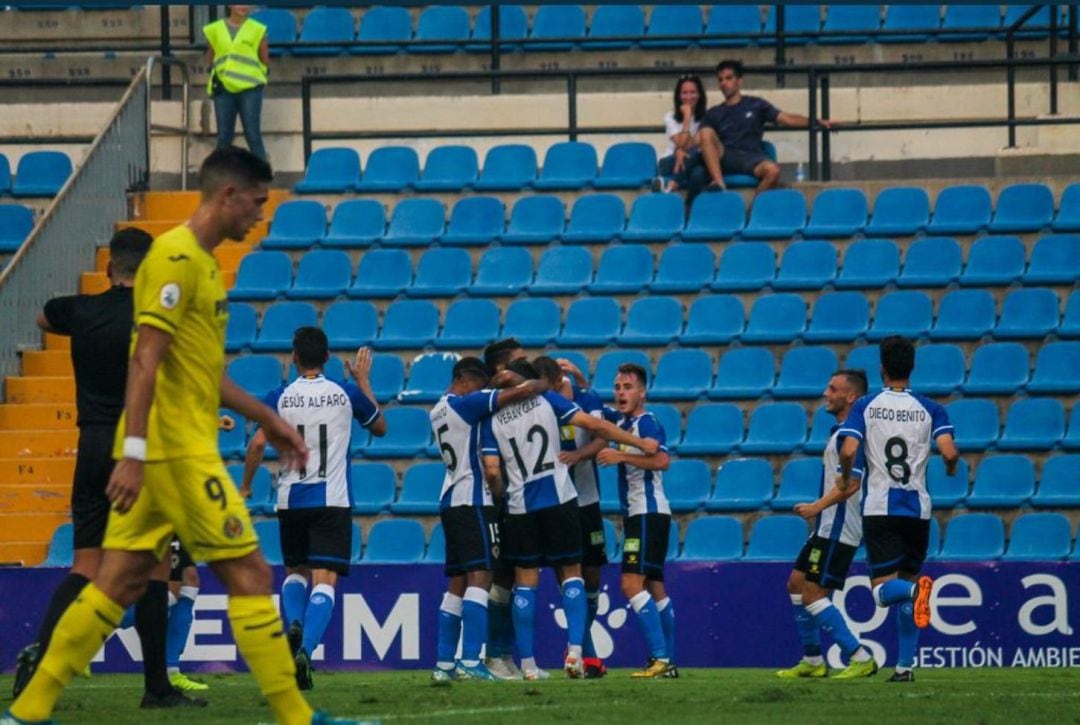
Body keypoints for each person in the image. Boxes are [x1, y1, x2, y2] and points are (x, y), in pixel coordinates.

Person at [5, 147, 349, 725]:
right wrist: (134, 455)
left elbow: (204, 373)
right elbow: (145, 360)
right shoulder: (173, 259)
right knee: (248, 572)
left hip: (169, 448)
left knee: (115, 581)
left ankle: (27, 711)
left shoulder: (207, 265)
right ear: (227, 196)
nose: (261, 217)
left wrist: (268, 419)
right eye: (257, 204)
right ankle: (296, 716)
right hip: (176, 453)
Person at [13, 227, 204, 710]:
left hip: (92, 445)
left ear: (108, 269)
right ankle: (157, 687)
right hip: (139, 447)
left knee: (85, 566)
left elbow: (44, 315)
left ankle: (41, 653)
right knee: (157, 570)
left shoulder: (79, 312)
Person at [481, 359, 659, 680]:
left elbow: (492, 470)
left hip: (520, 506)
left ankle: (529, 666)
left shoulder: (492, 419)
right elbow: (598, 427)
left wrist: (500, 494)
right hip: (559, 498)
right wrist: (638, 442)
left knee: (525, 581)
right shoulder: (547, 400)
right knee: (572, 574)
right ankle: (575, 653)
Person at [242, 332, 385, 691]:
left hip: (290, 499)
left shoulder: (281, 397)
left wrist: (245, 485)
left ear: (294, 357)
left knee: (294, 573)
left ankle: (294, 624)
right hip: (331, 500)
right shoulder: (344, 392)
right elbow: (380, 427)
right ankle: (306, 649)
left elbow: (257, 444)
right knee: (325, 581)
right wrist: (364, 383)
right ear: (328, 356)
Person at [836, 336, 959, 683]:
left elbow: (847, 451)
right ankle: (904, 667)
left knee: (883, 590)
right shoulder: (932, 409)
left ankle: (917, 592)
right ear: (912, 368)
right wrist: (950, 469)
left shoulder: (866, 405)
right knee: (906, 581)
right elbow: (949, 453)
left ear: (882, 368)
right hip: (917, 509)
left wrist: (846, 477)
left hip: (880, 507)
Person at [428, 357, 550, 682]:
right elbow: (522, 393)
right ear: (467, 381)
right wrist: (533, 382)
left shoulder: (437, 409)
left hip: (449, 500)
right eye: (479, 386)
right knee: (481, 577)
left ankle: (443, 665)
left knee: (456, 583)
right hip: (472, 499)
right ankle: (470, 661)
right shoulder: (468, 405)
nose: (481, 391)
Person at [779, 369, 877, 680]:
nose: (826, 393)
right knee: (795, 584)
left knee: (812, 594)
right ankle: (812, 659)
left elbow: (851, 485)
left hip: (839, 528)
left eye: (833, 389)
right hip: (826, 526)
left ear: (851, 397)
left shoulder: (851, 435)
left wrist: (815, 507)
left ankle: (860, 656)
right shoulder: (841, 432)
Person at [594, 363, 676, 679]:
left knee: (630, 583)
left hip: (646, 512)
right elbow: (593, 413)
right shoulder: (624, 423)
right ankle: (668, 662)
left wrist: (620, 456)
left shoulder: (647, 422)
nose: (621, 393)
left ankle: (660, 658)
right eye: (617, 387)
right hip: (644, 515)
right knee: (655, 587)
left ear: (642, 392)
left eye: (627, 387)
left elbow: (662, 460)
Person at [535, 356, 609, 679]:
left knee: (591, 576)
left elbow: (602, 438)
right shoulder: (541, 404)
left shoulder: (587, 399)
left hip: (587, 499)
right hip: (557, 502)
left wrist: (578, 455)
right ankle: (583, 653)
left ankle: (579, 647)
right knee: (567, 576)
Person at [698, 58, 837, 193]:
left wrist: (817, 121)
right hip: (725, 156)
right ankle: (719, 183)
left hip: (751, 157)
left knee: (773, 171)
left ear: (739, 81)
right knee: (705, 132)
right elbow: (700, 140)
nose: (724, 83)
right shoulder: (714, 112)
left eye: (729, 78)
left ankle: (753, 209)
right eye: (721, 79)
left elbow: (787, 118)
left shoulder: (756, 104)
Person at [478, 338, 529, 680]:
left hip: (517, 498)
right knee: (499, 577)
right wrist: (499, 496)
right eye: (519, 361)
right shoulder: (487, 406)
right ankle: (492, 653)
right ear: (500, 370)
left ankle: (502, 653)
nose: (527, 367)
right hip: (497, 501)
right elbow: (490, 465)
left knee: (510, 576)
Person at [203, 5, 269, 161]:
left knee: (252, 134)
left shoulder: (258, 29)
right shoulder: (215, 29)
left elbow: (265, 59)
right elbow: (211, 56)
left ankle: (262, 177)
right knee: (224, 136)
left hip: (250, 88)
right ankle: (221, 177)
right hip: (224, 89)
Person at [657, 74, 708, 199]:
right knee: (696, 154)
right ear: (679, 96)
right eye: (684, 93)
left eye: (693, 92)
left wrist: (683, 149)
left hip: (693, 160)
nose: (689, 97)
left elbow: (697, 145)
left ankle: (674, 188)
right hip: (670, 162)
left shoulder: (707, 116)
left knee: (699, 172)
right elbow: (682, 143)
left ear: (699, 94)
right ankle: (674, 182)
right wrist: (687, 117)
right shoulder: (670, 116)